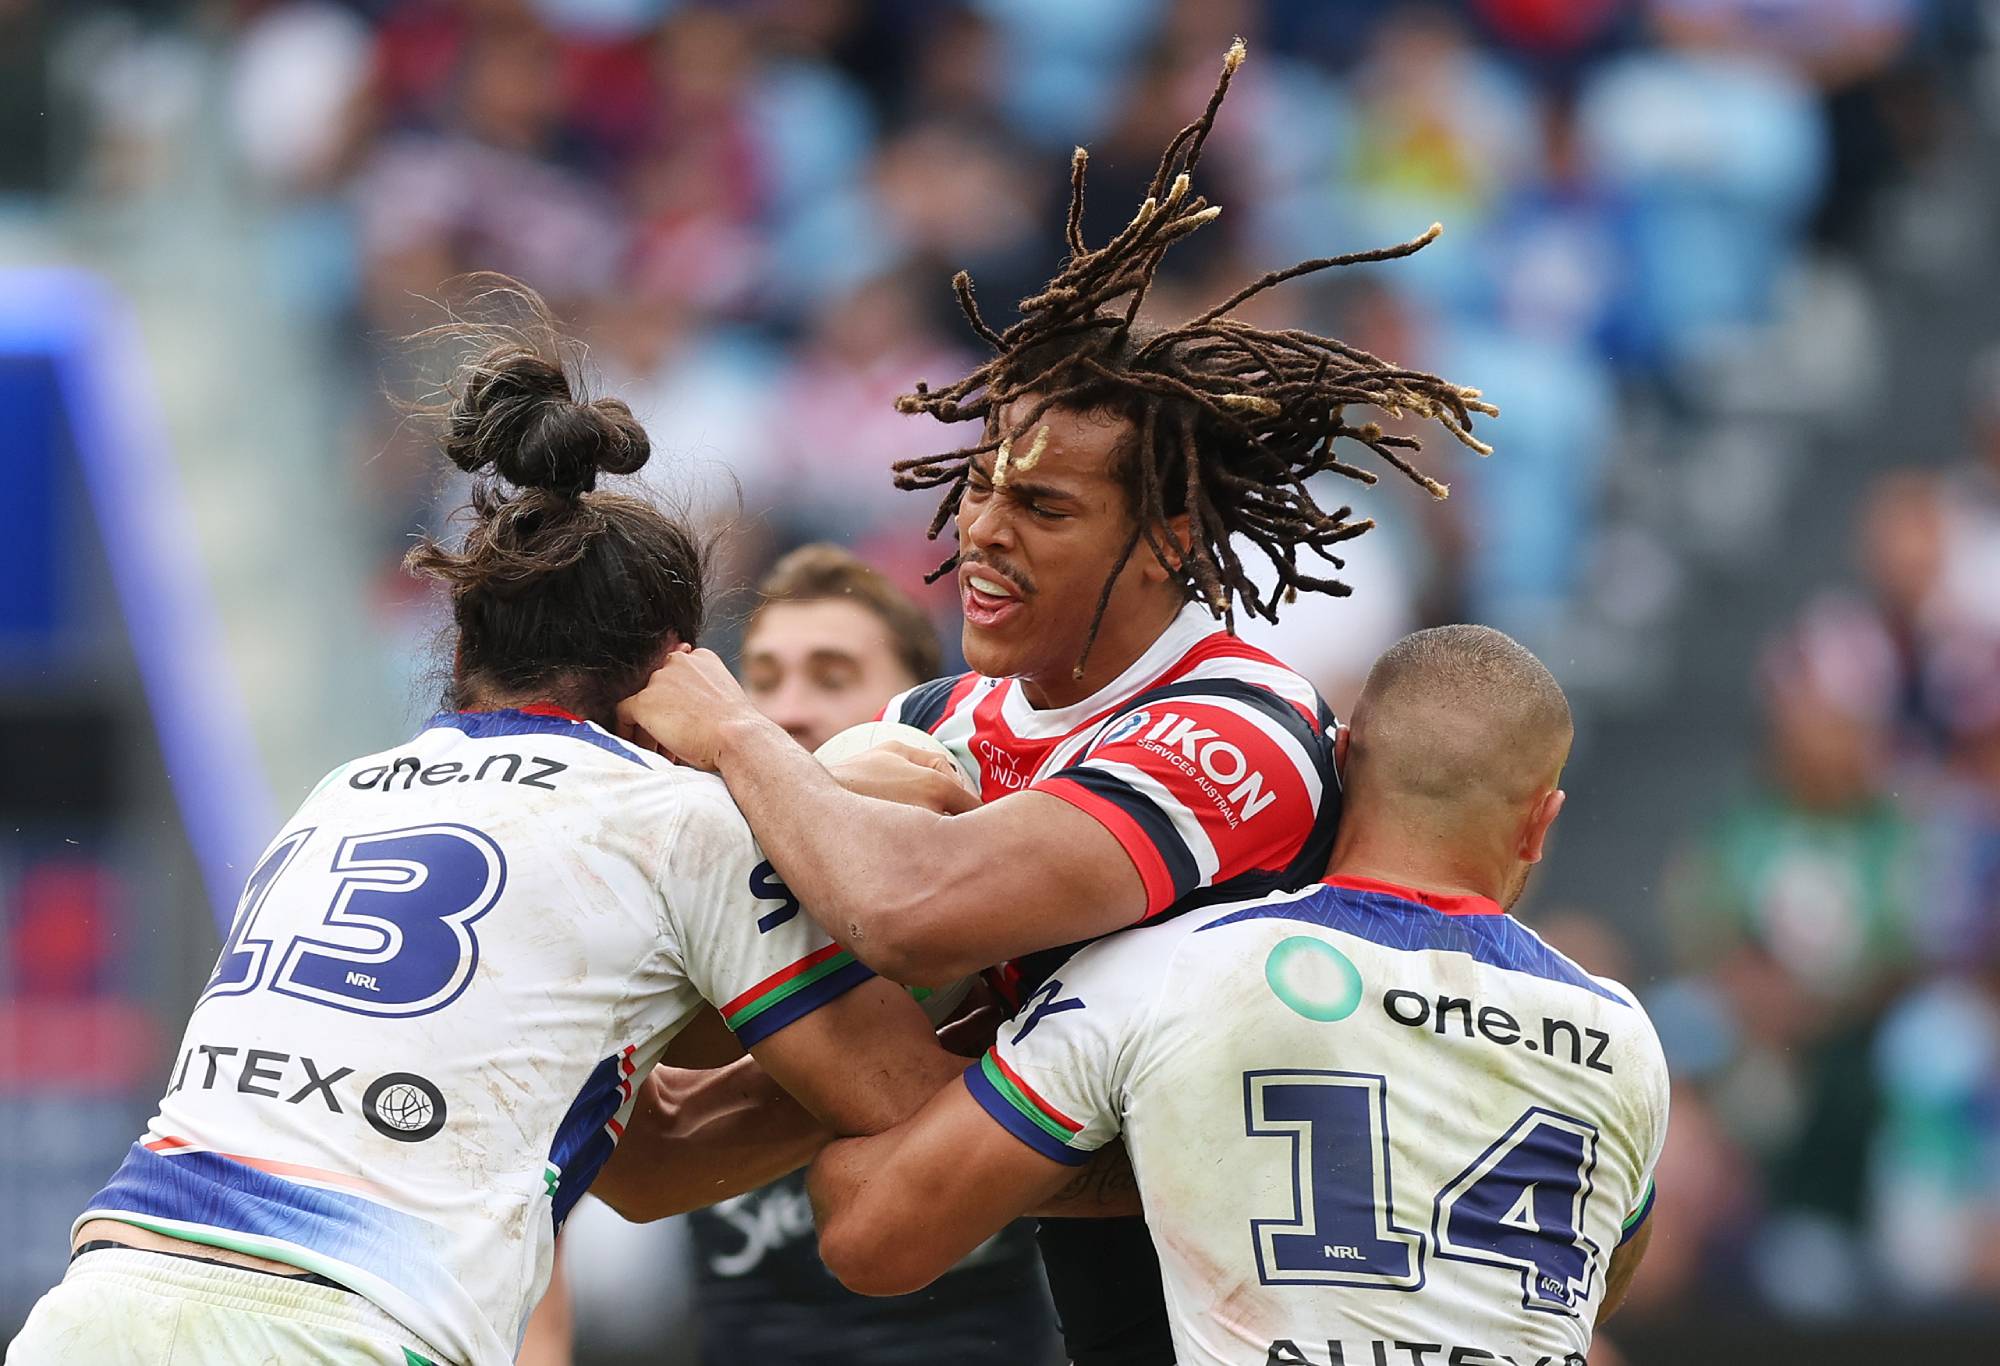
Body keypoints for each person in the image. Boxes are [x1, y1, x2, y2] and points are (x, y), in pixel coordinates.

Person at [614, 40, 1495, 1366]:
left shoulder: (1236, 727)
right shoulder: (941, 722)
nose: (983, 531)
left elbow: (912, 914)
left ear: (1166, 537)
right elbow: (655, 1158)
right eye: (979, 485)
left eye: (1043, 503)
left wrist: (736, 737)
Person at [4, 288, 972, 1366]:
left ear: (463, 655)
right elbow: (897, 1096)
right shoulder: (675, 817)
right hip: (340, 1324)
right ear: (674, 667)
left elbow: (638, 1166)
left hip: (100, 1300)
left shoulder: (339, 795)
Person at [805, 626, 1670, 1366]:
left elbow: (874, 1237)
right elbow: (1592, 1280)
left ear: (1337, 762)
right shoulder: (1625, 1040)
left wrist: (1117, 1164)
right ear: (1540, 820)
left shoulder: (1165, 970)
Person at [699, 544, 1058, 1365]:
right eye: (762, 678)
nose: (783, 713)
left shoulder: (1016, 920)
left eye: (831, 678)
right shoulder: (690, 902)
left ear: (923, 716)